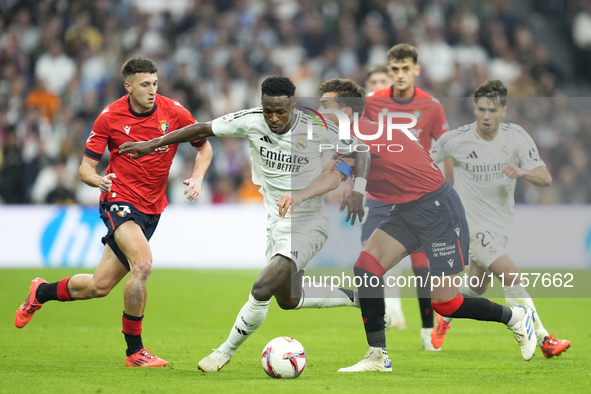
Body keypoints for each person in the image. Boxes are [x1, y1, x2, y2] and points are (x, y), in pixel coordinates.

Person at [119, 76, 371, 372]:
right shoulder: (251, 120)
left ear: (292, 106)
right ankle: (357, 297)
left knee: (262, 287)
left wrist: (358, 190)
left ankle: (223, 353)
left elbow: (361, 151)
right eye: (268, 111)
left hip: (309, 222)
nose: (273, 118)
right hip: (276, 222)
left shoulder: (319, 127)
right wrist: (154, 143)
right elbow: (203, 128)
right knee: (288, 299)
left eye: (281, 111)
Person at [290, 78, 538, 373]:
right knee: (366, 266)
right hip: (407, 209)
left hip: (438, 210)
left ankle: (515, 317)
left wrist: (310, 193)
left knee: (445, 304)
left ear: (346, 110)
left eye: (325, 104)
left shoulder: (361, 132)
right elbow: (337, 168)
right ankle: (377, 356)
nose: (319, 109)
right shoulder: (355, 134)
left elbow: (346, 168)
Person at [15, 57, 212, 367]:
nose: (152, 90)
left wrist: (198, 176)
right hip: (118, 200)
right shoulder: (109, 117)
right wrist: (99, 180)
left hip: (152, 208)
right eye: (145, 84)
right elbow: (85, 169)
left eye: (155, 83)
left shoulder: (174, 112)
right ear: (128, 86)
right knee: (143, 265)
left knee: (99, 286)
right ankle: (135, 352)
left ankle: (41, 291)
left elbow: (204, 146)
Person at [430, 79, 571, 358]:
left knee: (477, 286)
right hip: (468, 224)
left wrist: (521, 172)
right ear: (474, 108)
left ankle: (445, 310)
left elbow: (545, 177)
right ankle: (543, 338)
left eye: (492, 110)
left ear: (504, 110)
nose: (486, 116)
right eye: (481, 109)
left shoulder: (515, 136)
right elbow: (423, 163)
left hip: (500, 225)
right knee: (511, 273)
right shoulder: (456, 139)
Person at [362, 43, 452, 349]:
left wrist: (449, 187)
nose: (400, 74)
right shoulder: (371, 103)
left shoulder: (432, 106)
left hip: (418, 193)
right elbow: (356, 141)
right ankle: (383, 328)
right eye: (394, 69)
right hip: (382, 193)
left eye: (405, 69)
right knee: (369, 256)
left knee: (421, 265)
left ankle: (428, 330)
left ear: (416, 70)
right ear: (388, 71)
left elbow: (447, 148)